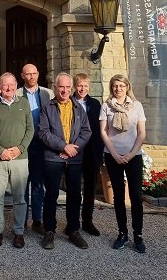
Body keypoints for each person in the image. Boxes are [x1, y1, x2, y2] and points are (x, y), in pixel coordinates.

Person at [38, 72, 92, 250]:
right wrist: (63, 147)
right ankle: (49, 230)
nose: (65, 90)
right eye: (61, 87)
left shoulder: (78, 107)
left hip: (75, 159)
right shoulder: (47, 107)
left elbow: (86, 132)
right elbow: (43, 132)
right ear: (55, 87)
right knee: (51, 194)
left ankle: (73, 229)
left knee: (75, 195)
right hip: (53, 158)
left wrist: (73, 149)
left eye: (68, 87)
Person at [0, 72, 34, 248]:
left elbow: (30, 129)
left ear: (16, 85)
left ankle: (19, 232)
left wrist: (20, 148)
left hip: (20, 158)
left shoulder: (24, 104)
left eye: (12, 85)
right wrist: (0, 150)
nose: (9, 88)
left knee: (20, 198)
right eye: (5, 85)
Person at [99, 74, 147, 253]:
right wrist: (115, 154)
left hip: (133, 156)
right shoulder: (106, 106)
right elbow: (103, 132)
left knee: (135, 196)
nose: (117, 89)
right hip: (113, 155)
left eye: (121, 85)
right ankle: (122, 233)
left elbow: (142, 133)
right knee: (118, 197)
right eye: (114, 86)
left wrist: (130, 154)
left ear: (127, 87)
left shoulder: (137, 106)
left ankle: (138, 235)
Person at [16, 63, 54, 232]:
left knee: (38, 184)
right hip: (22, 144)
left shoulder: (48, 93)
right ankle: (22, 220)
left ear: (38, 74)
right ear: (22, 76)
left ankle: (37, 220)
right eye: (27, 74)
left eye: (34, 73)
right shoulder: (16, 94)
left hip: (41, 144)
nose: (31, 77)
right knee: (22, 184)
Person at [73, 73, 105, 237]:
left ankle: (87, 221)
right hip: (74, 152)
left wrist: (100, 153)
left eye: (85, 85)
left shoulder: (95, 104)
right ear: (74, 86)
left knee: (90, 189)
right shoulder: (69, 103)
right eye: (79, 85)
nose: (82, 88)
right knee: (74, 189)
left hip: (92, 152)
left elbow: (101, 130)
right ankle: (73, 223)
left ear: (89, 87)